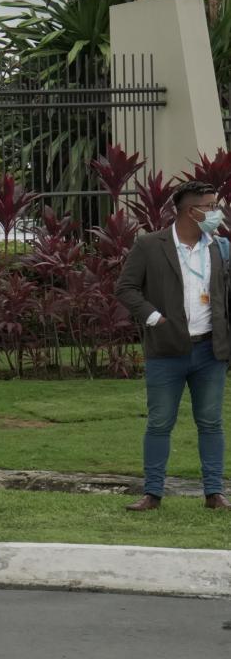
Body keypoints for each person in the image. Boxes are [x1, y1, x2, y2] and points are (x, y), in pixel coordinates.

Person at [116, 180, 231, 512]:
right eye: (209, 207)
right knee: (160, 421)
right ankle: (152, 493)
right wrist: (155, 318)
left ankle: (214, 493)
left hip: (210, 351)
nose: (216, 212)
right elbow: (125, 288)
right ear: (189, 211)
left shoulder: (220, 247)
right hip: (165, 350)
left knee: (211, 422)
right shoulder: (151, 245)